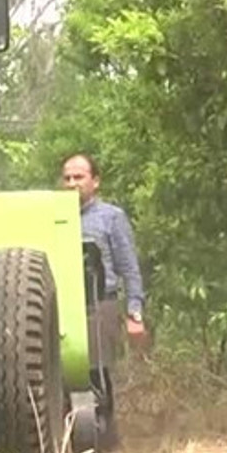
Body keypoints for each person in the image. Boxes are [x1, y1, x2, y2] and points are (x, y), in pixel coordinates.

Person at [60, 153, 147, 371]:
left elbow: (129, 268)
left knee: (99, 374)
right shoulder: (54, 218)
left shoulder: (112, 217)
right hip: (62, 309)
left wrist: (134, 315)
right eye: (67, 178)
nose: (72, 183)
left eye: (78, 177)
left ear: (95, 181)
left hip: (100, 306)